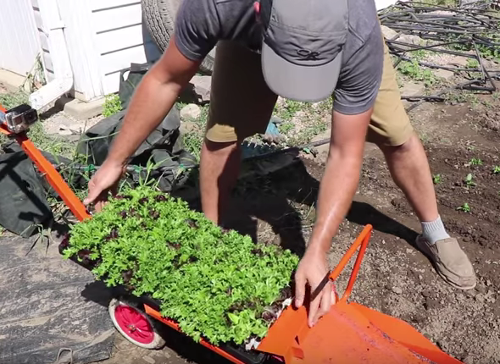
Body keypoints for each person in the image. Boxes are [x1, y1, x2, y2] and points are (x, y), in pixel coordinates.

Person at [83, 0, 476, 328]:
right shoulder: (216, 5)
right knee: (221, 136)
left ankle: (435, 231)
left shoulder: (358, 35)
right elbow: (166, 79)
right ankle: (212, 241)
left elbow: (344, 152)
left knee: (394, 134)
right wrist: (115, 161)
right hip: (252, 41)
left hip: (342, 42)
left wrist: (316, 250)